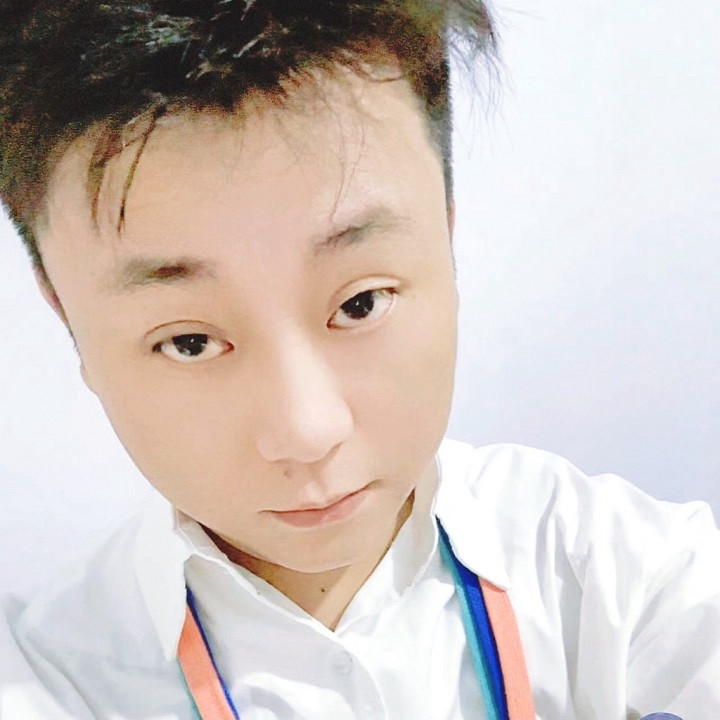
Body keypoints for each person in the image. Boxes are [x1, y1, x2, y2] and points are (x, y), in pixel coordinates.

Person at [0, 1, 718, 718]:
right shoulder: (44, 680)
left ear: (446, 231)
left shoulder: (617, 577)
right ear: (65, 314)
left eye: (362, 302)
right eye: (189, 342)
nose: (307, 431)